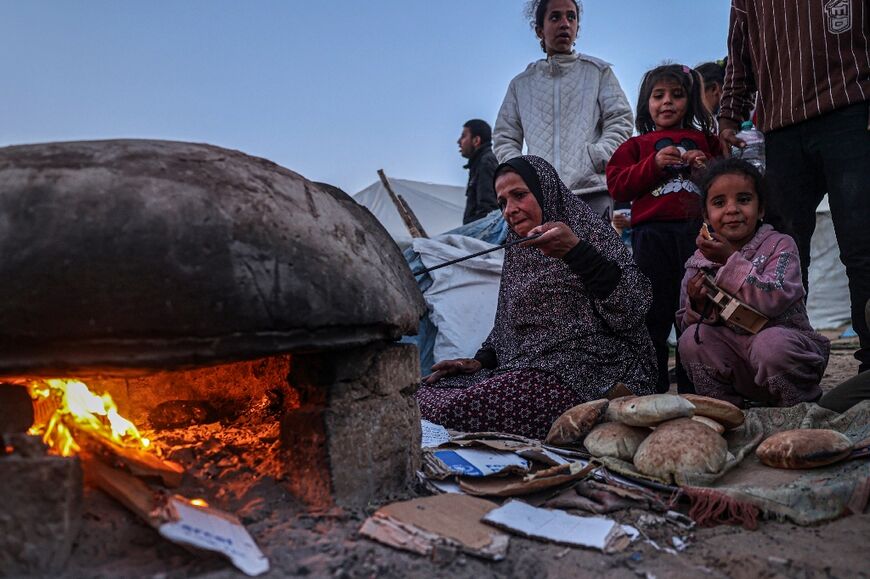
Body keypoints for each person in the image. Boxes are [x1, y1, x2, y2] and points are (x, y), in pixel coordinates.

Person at [416, 156, 657, 439]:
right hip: (530, 367)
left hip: (595, 369)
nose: (509, 210)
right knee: (421, 391)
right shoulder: (517, 252)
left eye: (519, 195)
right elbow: (509, 325)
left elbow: (635, 306)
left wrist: (576, 252)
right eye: (502, 203)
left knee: (461, 409)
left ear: (546, 190)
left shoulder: (589, 234)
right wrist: (481, 361)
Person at [718, 0, 870, 374]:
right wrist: (728, 116)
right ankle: (790, 359)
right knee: (784, 250)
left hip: (849, 112)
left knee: (861, 243)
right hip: (781, 129)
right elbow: (739, 59)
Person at [677, 158, 830, 408]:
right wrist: (697, 302)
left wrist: (730, 261)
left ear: (761, 209)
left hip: (785, 355)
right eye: (719, 203)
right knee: (693, 340)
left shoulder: (780, 245)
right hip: (739, 366)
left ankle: (799, 407)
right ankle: (727, 412)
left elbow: (774, 297)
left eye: (744, 200)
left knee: (769, 344)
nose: (732, 209)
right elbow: (686, 323)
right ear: (706, 215)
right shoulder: (698, 262)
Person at [606, 64, 722, 393]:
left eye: (677, 95)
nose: (667, 102)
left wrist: (706, 169)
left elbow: (726, 183)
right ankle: (652, 388)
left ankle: (695, 388)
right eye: (659, 96)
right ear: (646, 104)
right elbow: (617, 185)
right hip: (651, 238)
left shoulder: (707, 141)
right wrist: (652, 165)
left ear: (691, 101)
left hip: (697, 237)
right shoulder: (636, 146)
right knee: (653, 314)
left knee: (697, 310)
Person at [493, 0, 633, 222]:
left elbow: (621, 119)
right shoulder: (521, 84)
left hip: (591, 192)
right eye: (555, 17)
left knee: (591, 256)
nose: (565, 24)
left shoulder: (598, 72)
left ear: (577, 28)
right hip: (539, 199)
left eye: (571, 17)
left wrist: (599, 155)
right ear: (540, 30)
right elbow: (504, 136)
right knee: (544, 256)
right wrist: (523, 173)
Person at [458, 119, 500, 224]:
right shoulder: (478, 163)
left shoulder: (485, 162)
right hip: (479, 228)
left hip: (484, 229)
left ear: (476, 140)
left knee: (441, 240)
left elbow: (488, 211)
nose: (459, 142)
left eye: (463, 136)